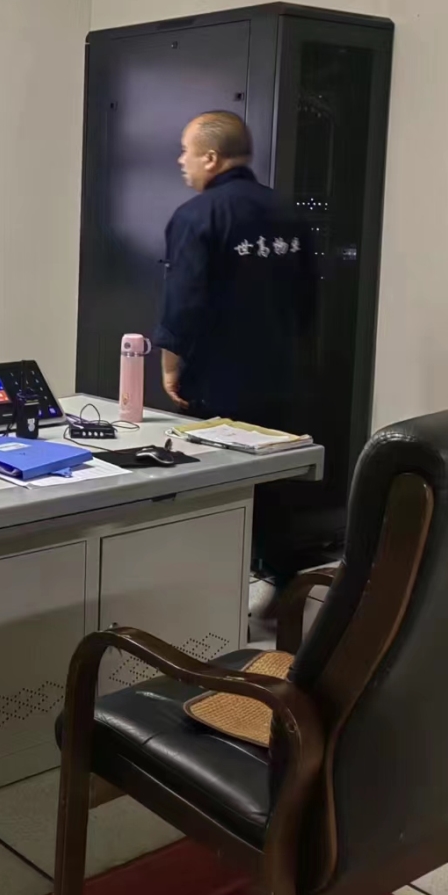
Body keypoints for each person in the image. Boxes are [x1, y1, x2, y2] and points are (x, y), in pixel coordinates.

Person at [153, 111, 321, 585]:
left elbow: (183, 302)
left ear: (211, 157)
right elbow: (308, 297)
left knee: (218, 487)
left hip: (220, 382)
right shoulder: (288, 212)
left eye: (186, 151)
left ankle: (218, 588)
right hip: (284, 376)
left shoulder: (197, 216)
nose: (181, 160)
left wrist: (170, 367)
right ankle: (279, 587)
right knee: (277, 488)